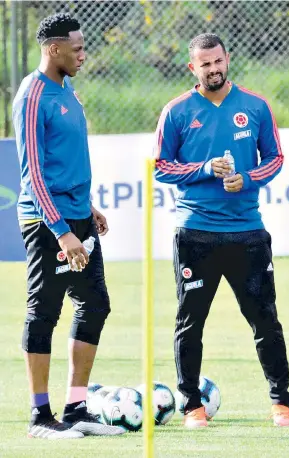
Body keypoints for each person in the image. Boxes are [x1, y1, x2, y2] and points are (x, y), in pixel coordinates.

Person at [153, 33, 289, 429]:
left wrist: (247, 179)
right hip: (195, 233)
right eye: (205, 64)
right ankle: (192, 406)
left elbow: (275, 158)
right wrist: (203, 169)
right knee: (190, 322)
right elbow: (161, 166)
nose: (214, 69)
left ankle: (281, 403)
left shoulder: (255, 106)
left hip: (247, 232)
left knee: (265, 319)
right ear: (192, 68)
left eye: (218, 61)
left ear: (227, 59)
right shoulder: (177, 111)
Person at [12, 13, 125, 438]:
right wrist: (62, 230)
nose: (83, 55)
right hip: (47, 222)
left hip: (78, 214)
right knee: (44, 312)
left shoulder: (67, 88)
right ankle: (40, 418)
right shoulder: (32, 95)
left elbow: (65, 157)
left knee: (95, 304)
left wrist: (88, 208)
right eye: (76, 48)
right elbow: (33, 175)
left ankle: (76, 408)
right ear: (52, 49)